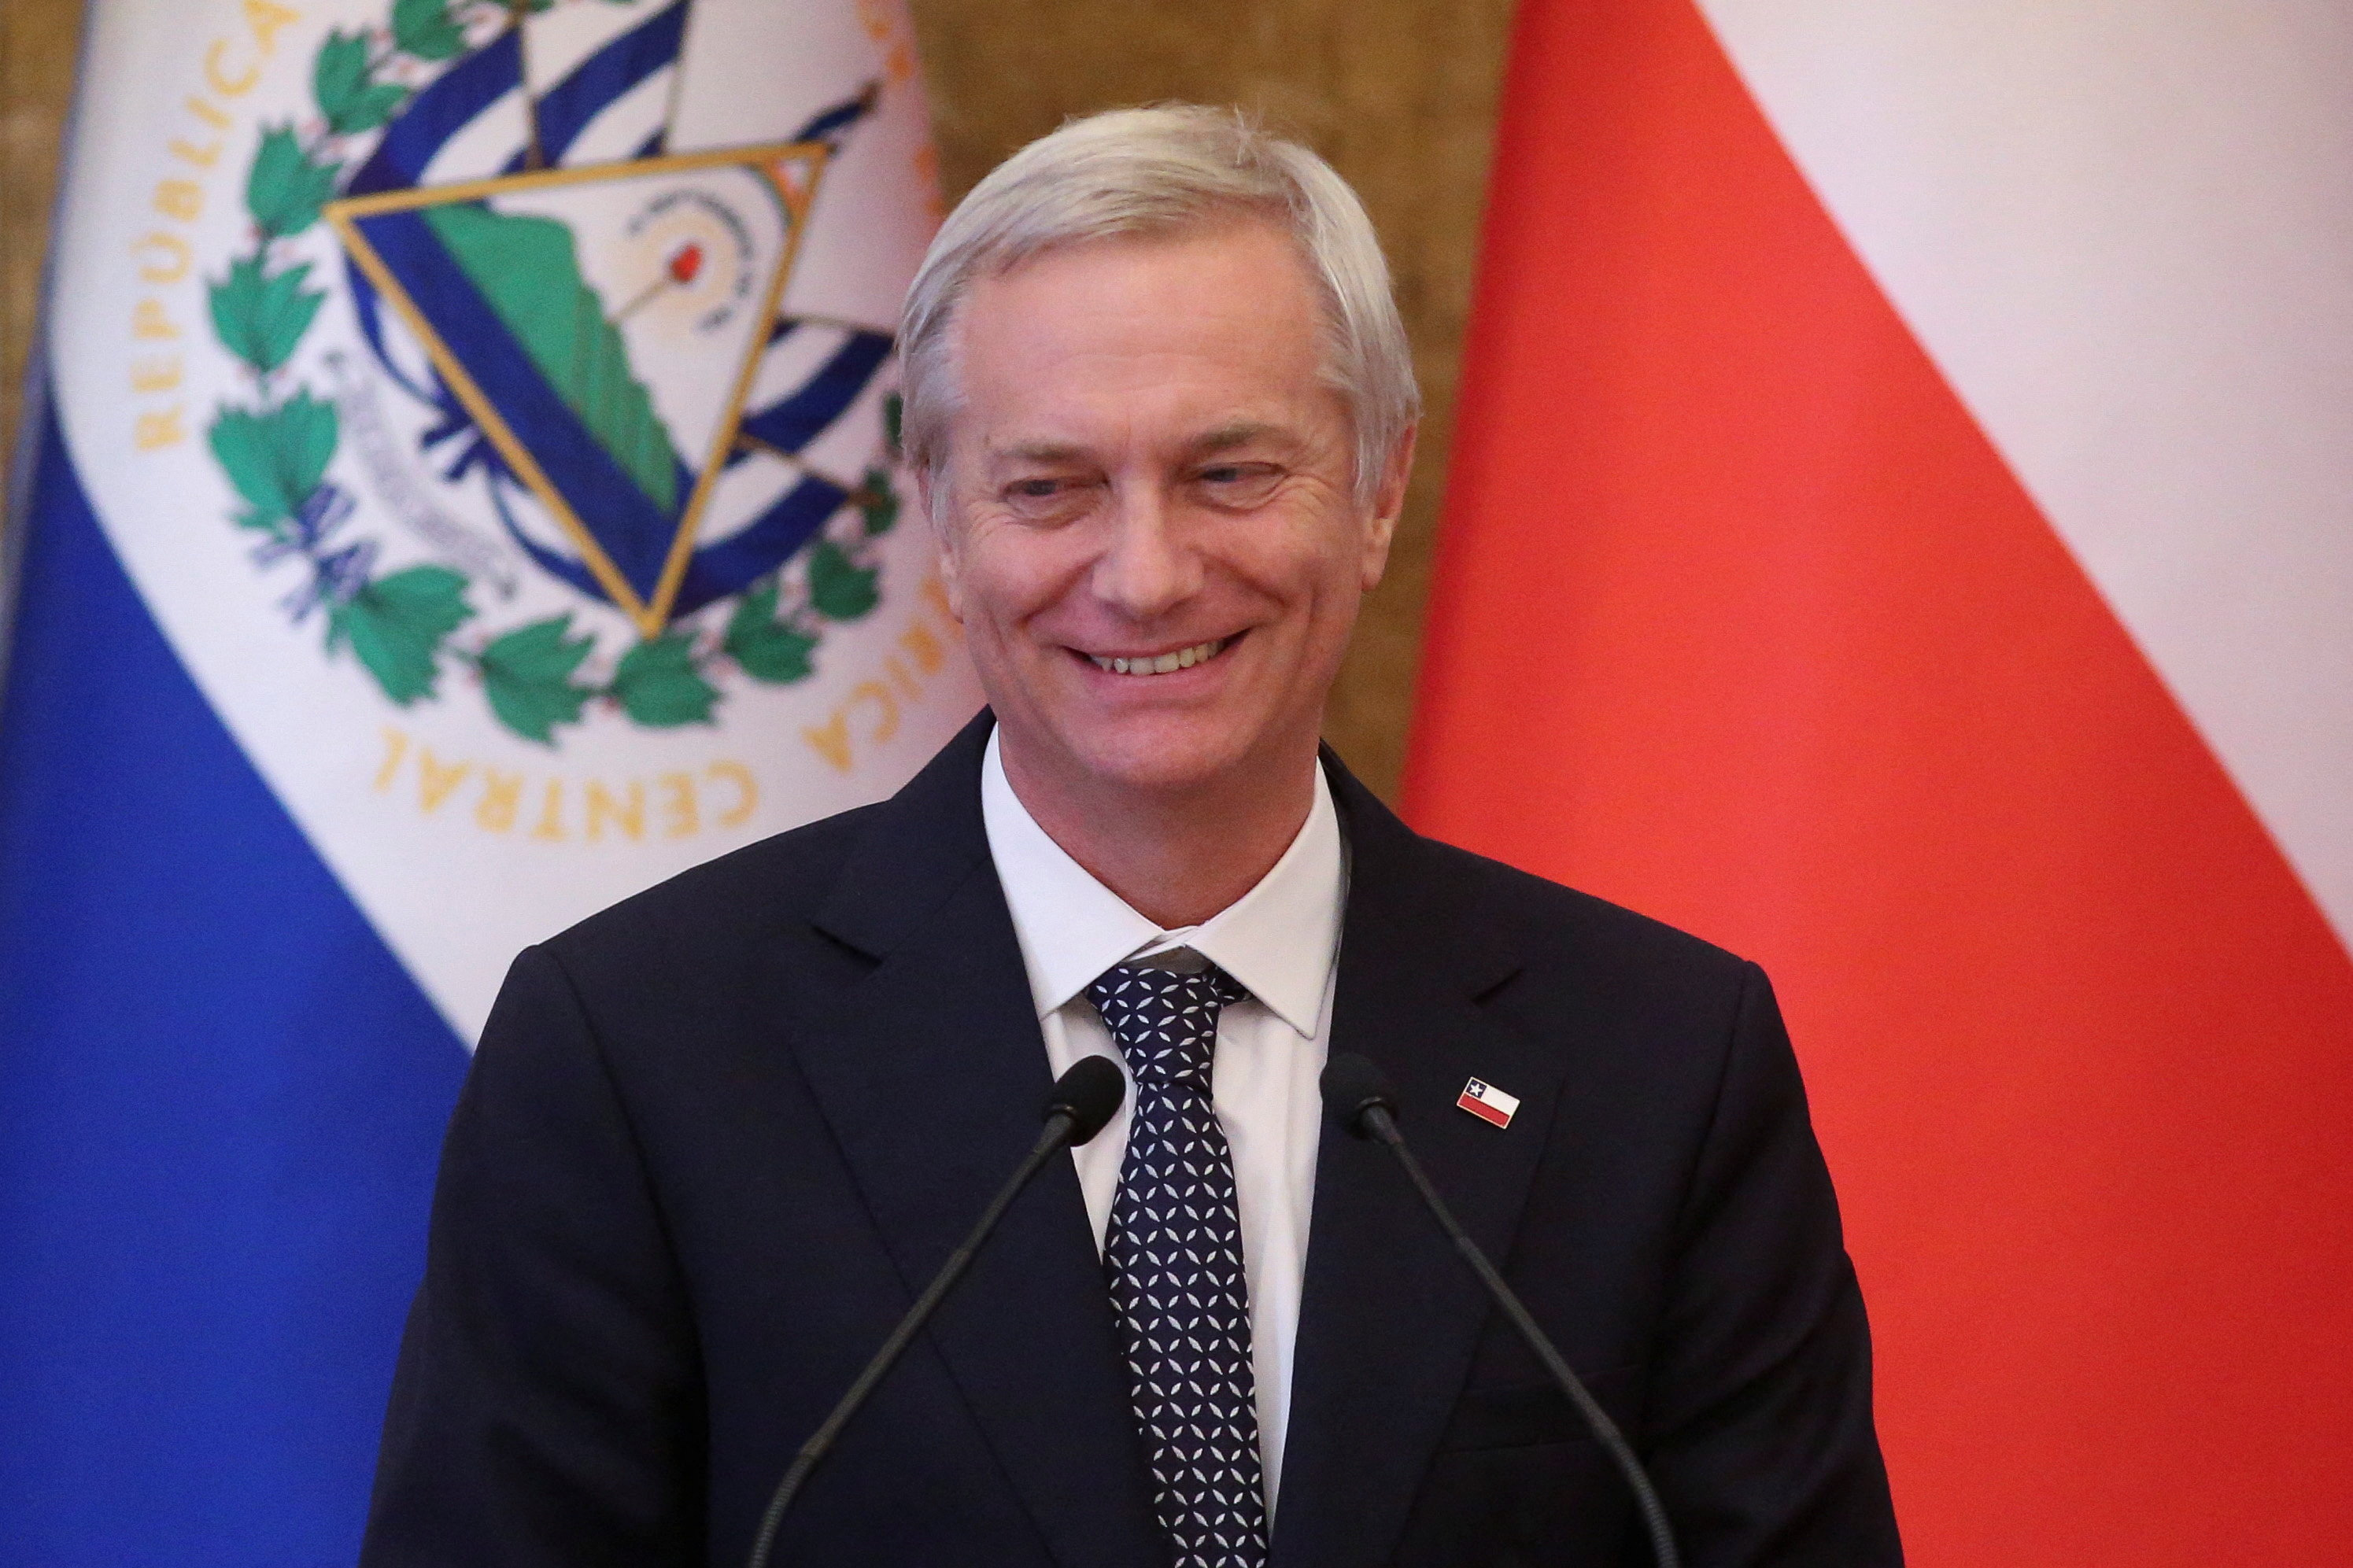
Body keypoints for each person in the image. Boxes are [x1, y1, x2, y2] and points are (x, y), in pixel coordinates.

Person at [358, 105, 1901, 1567]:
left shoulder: (1658, 1064)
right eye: (1051, 487)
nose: (1146, 574)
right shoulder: (638, 1054)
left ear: (1378, 489)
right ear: (941, 517)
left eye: (1230, 473)